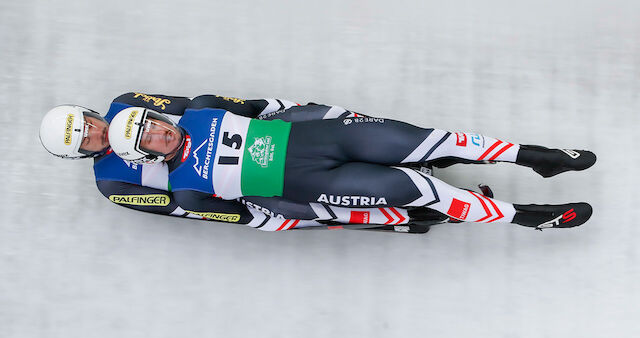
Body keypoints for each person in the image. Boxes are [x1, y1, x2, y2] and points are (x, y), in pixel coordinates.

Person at [107, 102, 597, 230]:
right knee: (422, 191)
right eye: (149, 137)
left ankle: (538, 158)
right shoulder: (186, 185)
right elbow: (250, 216)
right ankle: (530, 217)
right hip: (316, 180)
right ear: (144, 155)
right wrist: (309, 217)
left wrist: (330, 112)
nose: (160, 131)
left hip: (323, 136)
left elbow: (273, 104)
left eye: (153, 121)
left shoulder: (201, 111)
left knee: (435, 141)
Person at [39, 93, 441, 232]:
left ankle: (399, 151)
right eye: (86, 139)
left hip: (245, 140)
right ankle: (405, 211)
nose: (95, 132)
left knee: (324, 123)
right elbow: (178, 208)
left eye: (89, 123)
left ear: (91, 112)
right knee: (307, 206)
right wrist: (244, 212)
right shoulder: (111, 184)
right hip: (229, 189)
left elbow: (187, 107)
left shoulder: (126, 103)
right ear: (81, 155)